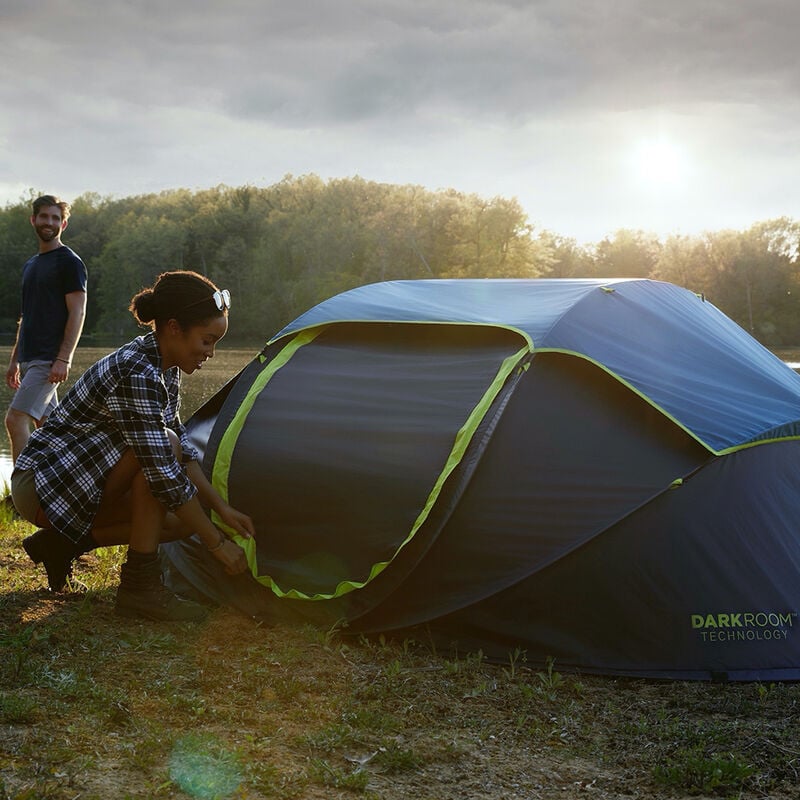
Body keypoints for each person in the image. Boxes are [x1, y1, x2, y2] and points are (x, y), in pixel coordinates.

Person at [11, 270, 254, 622]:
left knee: (184, 519)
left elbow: (181, 448)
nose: (211, 353)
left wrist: (220, 508)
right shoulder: (137, 373)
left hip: (78, 484)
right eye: (206, 340)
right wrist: (216, 544)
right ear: (173, 327)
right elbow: (164, 470)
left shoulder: (163, 364)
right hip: (44, 486)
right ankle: (140, 590)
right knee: (166, 467)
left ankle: (61, 545)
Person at [5, 194, 87, 462]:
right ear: (34, 220)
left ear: (63, 225)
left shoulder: (69, 262)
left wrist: (64, 358)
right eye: (44, 216)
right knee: (51, 429)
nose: (49, 222)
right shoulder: (31, 264)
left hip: (48, 359)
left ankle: (19, 496)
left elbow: (78, 311)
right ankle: (63, 485)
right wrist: (15, 359)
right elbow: (27, 315)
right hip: (30, 358)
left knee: (15, 419)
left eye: (55, 218)